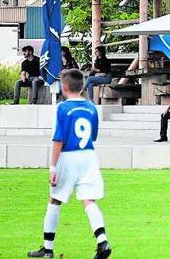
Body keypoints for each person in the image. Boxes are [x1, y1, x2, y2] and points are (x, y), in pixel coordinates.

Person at [26, 69, 111, 259]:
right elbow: (94, 135)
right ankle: (102, 241)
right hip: (88, 156)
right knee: (89, 200)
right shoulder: (91, 108)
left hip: (68, 156)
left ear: (64, 88)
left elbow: (58, 139)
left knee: (55, 199)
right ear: (82, 87)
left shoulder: (62, 108)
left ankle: (48, 249)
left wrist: (53, 167)